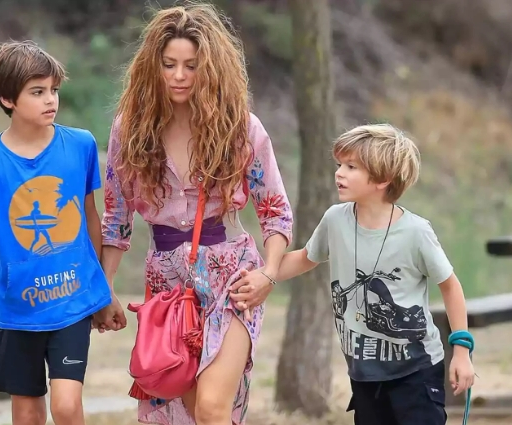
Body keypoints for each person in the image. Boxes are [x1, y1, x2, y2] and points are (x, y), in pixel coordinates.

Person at [97, 3, 293, 425]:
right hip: (167, 283)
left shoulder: (242, 129)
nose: (180, 76)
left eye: (191, 65)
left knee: (211, 407)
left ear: (212, 68)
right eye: (169, 65)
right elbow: (116, 219)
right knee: (186, 412)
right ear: (153, 67)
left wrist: (268, 274)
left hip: (232, 277)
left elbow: (276, 212)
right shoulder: (129, 131)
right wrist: (105, 287)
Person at [230, 123, 476, 424]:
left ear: (382, 179)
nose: (339, 173)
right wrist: (262, 274)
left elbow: (450, 286)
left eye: (351, 167)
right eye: (339, 165)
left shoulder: (416, 232)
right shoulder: (335, 220)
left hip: (417, 372)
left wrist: (461, 350)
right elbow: (306, 258)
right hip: (364, 374)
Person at [0, 40, 125, 425]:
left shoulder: (81, 145)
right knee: (27, 415)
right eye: (37, 92)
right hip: (17, 313)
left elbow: (90, 219)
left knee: (66, 407)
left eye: (54, 89)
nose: (50, 99)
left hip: (71, 303)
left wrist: (102, 293)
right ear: (7, 99)